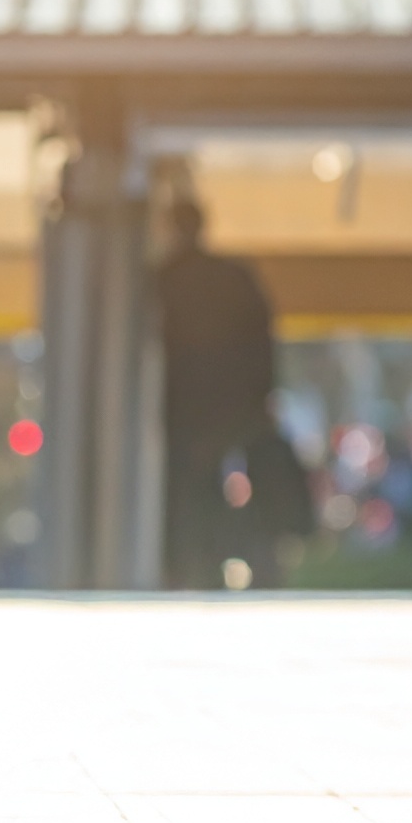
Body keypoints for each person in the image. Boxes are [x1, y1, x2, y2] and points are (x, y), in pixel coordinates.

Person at [155, 198, 301, 590]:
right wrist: (261, 397)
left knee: (192, 491)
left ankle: (197, 570)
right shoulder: (234, 277)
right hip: (238, 407)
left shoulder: (163, 280)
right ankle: (259, 565)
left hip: (185, 409)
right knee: (246, 490)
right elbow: (263, 341)